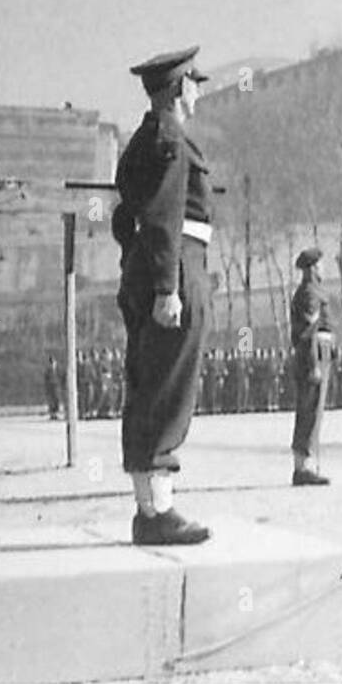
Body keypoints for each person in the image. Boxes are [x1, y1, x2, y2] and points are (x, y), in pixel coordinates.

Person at [113, 45, 213, 546]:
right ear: (179, 89)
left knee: (147, 383)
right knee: (169, 386)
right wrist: (166, 287)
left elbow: (124, 218)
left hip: (150, 267)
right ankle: (159, 510)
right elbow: (164, 215)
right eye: (195, 82)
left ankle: (149, 507)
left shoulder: (142, 140)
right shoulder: (170, 137)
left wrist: (137, 270)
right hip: (175, 267)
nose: (199, 91)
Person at [290, 247, 335, 485]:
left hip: (318, 352)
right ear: (314, 268)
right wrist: (314, 364)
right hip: (314, 354)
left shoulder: (312, 291)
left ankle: (306, 464)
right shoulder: (309, 293)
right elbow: (308, 333)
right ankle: (304, 467)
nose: (323, 269)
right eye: (321, 265)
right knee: (309, 411)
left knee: (311, 411)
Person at [43, 354, 61, 420]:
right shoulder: (48, 371)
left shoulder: (58, 370)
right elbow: (46, 380)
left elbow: (60, 377)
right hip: (50, 388)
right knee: (51, 402)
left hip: (56, 388)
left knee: (56, 401)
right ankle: (52, 414)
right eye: (51, 362)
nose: (52, 364)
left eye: (53, 362)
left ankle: (56, 414)